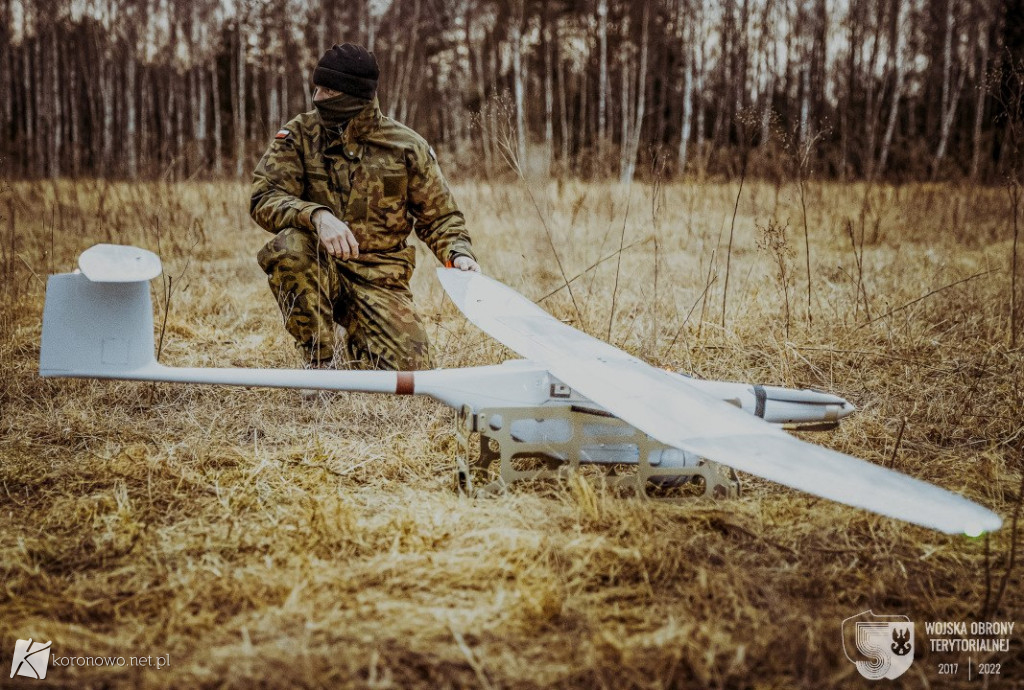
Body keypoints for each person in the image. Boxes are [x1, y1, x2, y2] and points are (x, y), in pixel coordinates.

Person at [251, 43, 480, 372]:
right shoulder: (299, 135)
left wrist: (458, 254)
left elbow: (440, 217)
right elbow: (264, 196)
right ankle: (320, 363)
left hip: (380, 279)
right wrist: (316, 215)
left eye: (327, 90)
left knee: (411, 371)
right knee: (290, 247)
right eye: (316, 88)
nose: (317, 98)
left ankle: (361, 335)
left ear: (352, 95)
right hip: (320, 266)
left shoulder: (406, 147)